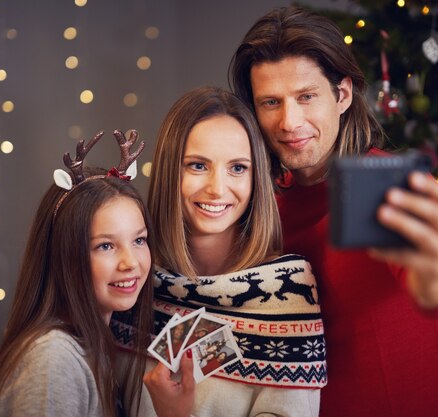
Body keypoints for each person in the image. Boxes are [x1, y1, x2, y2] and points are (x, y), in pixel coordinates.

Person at [229, 6, 438, 417]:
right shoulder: (260, 209)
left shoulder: (394, 190)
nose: (289, 121)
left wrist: (435, 277)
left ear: (342, 95)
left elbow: (435, 293)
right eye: (270, 102)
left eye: (306, 96)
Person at [0, 130, 194, 417]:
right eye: (105, 245)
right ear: (65, 254)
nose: (131, 262)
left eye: (139, 240)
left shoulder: (94, 348)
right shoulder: (53, 360)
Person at [138, 86, 326, 417]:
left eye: (237, 168)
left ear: (256, 179)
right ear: (170, 171)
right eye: (197, 166)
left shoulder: (286, 290)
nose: (217, 188)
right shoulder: (134, 279)